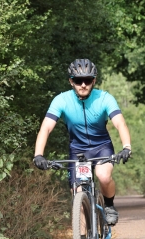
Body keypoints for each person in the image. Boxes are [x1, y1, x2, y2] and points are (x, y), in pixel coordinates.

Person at [33, 59, 132, 228]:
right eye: (78, 81)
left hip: (102, 147)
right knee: (77, 194)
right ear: (71, 81)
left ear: (94, 80)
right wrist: (38, 154)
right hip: (78, 151)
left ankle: (109, 206)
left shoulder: (104, 98)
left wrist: (127, 146)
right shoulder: (61, 100)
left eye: (88, 80)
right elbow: (46, 128)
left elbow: (119, 123)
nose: (83, 84)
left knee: (103, 176)